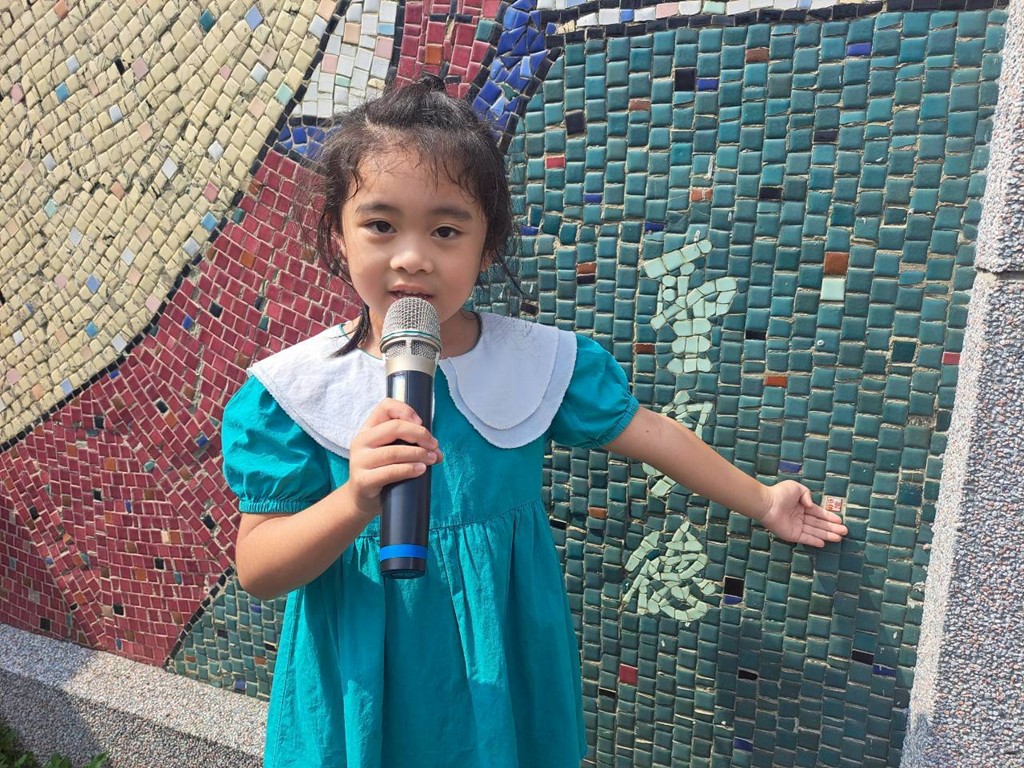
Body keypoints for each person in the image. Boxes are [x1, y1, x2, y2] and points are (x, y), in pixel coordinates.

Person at [221, 74, 848, 768]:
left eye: (446, 230)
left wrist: (765, 501)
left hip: (504, 664)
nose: (412, 256)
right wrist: (355, 500)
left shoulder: (536, 363)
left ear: (487, 247)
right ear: (339, 235)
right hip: (362, 678)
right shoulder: (295, 392)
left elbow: (652, 435)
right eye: (380, 224)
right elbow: (260, 569)